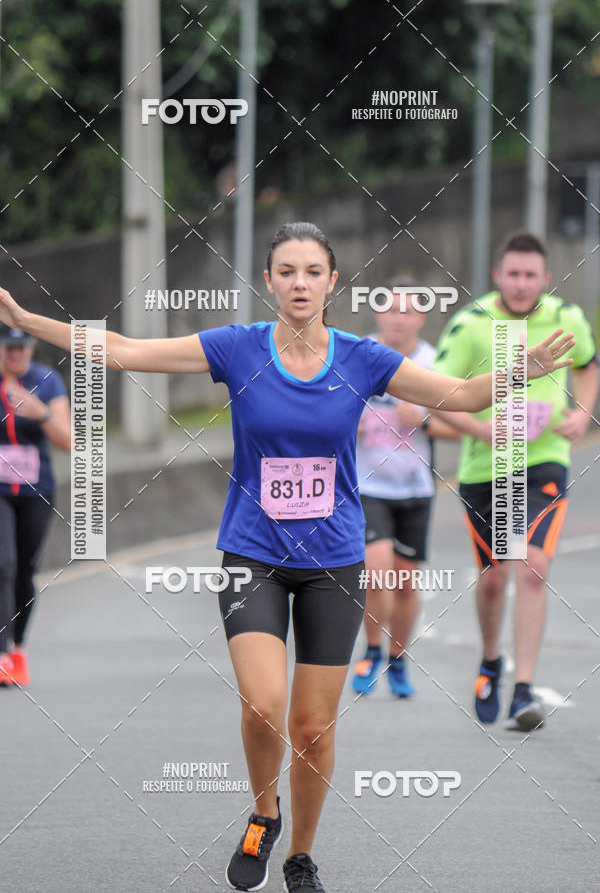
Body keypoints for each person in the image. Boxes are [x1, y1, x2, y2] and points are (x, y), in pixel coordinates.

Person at [0, 223, 575, 891]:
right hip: (254, 553)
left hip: (334, 559)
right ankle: (264, 810)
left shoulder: (362, 358)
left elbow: (462, 395)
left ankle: (301, 854)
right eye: (286, 270)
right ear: (268, 279)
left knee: (313, 726)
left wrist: (517, 372)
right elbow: (124, 350)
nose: (299, 282)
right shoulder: (238, 348)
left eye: (312, 271)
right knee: (264, 705)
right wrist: (24, 318)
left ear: (333, 282)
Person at [433, 229, 598, 732]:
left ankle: (523, 689)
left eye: (531, 275)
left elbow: (589, 365)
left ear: (546, 278)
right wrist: (478, 425)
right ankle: (491, 659)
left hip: (545, 459)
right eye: (513, 274)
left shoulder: (565, 317)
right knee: (496, 576)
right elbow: (438, 395)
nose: (522, 284)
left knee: (533, 567)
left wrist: (583, 412)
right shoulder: (471, 325)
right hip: (488, 468)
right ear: (496, 276)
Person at [353, 284, 458, 698]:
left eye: (407, 311)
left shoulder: (434, 363)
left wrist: (425, 421)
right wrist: (348, 425)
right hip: (368, 485)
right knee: (376, 572)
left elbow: (459, 427)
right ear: (378, 316)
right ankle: (372, 650)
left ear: (421, 319)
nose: (398, 317)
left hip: (414, 488)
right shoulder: (360, 354)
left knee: (405, 583)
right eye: (390, 310)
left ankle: (398, 659)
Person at [0, 326, 71, 687]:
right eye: (9, 348)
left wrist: (40, 413)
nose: (16, 355)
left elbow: (69, 441)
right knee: (3, 564)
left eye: (22, 347)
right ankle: (0, 654)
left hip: (35, 489)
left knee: (25, 568)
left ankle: (18, 650)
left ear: (32, 346)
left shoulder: (46, 380)